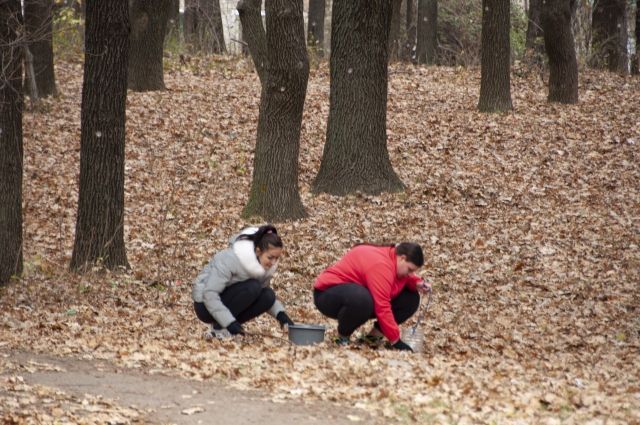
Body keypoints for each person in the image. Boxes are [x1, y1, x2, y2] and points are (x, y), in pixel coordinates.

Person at [313, 242, 431, 351]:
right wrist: (396, 341)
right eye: (409, 270)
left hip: (355, 295)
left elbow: (404, 279)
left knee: (411, 298)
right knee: (362, 299)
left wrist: (417, 283)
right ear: (402, 258)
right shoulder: (381, 265)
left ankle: (372, 339)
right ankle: (342, 337)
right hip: (327, 294)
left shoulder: (393, 260)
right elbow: (382, 306)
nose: (410, 274)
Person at [192, 224, 294, 339]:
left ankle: (226, 327)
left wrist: (281, 315)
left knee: (268, 295)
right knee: (253, 287)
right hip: (204, 305)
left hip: (227, 301)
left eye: (277, 258)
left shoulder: (263, 266)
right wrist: (229, 322)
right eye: (270, 257)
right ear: (258, 251)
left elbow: (263, 294)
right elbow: (209, 294)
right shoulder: (230, 259)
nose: (273, 262)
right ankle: (220, 327)